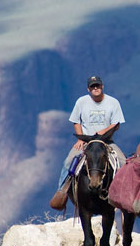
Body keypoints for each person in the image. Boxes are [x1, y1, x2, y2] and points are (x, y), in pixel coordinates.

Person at [50, 75, 126, 210]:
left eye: (97, 85)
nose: (95, 88)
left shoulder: (113, 102)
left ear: (102, 86)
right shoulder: (81, 102)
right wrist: (80, 139)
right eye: (92, 86)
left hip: (106, 141)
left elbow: (116, 124)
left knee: (123, 161)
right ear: (88, 89)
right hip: (87, 141)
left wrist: (102, 133)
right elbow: (76, 121)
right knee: (69, 161)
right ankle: (61, 192)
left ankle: (126, 196)